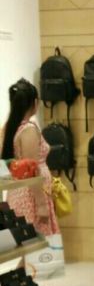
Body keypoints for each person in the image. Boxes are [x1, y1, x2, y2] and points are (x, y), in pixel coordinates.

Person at [1, 79, 59, 237]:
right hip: (31, 196)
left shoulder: (9, 127)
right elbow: (32, 171)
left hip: (18, 193)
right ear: (35, 102)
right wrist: (41, 204)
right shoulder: (28, 129)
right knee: (39, 244)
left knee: (26, 243)